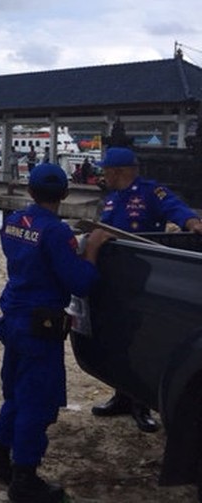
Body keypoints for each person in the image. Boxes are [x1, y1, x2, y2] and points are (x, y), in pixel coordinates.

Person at [0, 163, 110, 502]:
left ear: (30, 192)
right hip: (41, 325)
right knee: (37, 401)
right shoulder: (56, 232)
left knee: (17, 392)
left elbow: (32, 257)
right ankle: (24, 477)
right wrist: (91, 250)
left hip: (13, 318)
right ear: (65, 194)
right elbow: (80, 281)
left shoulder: (11, 223)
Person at [91, 147, 202, 432]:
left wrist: (192, 223)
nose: (104, 175)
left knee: (137, 340)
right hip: (113, 277)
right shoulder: (112, 198)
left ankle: (140, 403)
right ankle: (121, 397)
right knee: (115, 338)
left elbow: (175, 208)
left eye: (106, 171)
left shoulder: (150, 192)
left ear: (119, 171)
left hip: (139, 276)